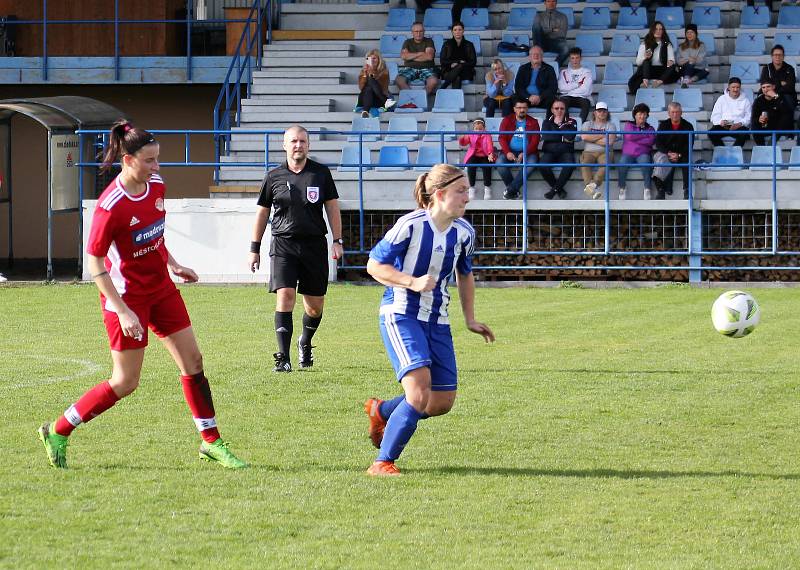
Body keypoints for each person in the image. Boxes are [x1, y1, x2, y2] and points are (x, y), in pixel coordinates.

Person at [36, 120, 246, 470]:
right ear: (128, 160)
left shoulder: (156, 186)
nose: (157, 167)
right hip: (126, 298)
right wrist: (122, 312)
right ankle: (58, 429)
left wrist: (174, 264)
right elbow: (95, 265)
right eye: (149, 160)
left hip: (161, 288)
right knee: (125, 381)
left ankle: (212, 442)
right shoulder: (110, 206)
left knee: (193, 362)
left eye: (158, 159)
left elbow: (156, 235)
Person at [362, 163, 495, 476]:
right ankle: (382, 462)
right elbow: (373, 266)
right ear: (440, 194)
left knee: (440, 402)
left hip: (438, 321)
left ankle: (381, 410)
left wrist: (470, 319)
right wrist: (411, 281)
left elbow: (465, 275)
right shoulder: (409, 226)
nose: (468, 197)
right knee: (419, 393)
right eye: (461, 191)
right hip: (401, 315)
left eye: (468, 190)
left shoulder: (464, 232)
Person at [249, 125, 343, 373]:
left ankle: (305, 341)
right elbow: (262, 212)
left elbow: (332, 208)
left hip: (314, 245)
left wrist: (337, 240)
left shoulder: (321, 174)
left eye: (302, 141)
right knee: (286, 295)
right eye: (293, 141)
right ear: (285, 145)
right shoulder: (273, 177)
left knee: (314, 306)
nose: (298, 145)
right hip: (283, 244)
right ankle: (283, 357)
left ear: (308, 145)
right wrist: (254, 247)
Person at [497, 97, 541, 200]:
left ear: (527, 109)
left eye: (524, 107)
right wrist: (507, 152)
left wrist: (524, 153)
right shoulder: (507, 120)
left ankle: (511, 190)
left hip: (529, 152)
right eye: (519, 107)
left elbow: (535, 141)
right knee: (499, 162)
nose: (522, 110)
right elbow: (502, 138)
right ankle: (514, 191)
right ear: (514, 109)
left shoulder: (533, 122)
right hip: (510, 151)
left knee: (532, 164)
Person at [652, 102, 694, 200]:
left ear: (681, 112)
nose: (675, 114)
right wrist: (668, 153)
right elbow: (658, 143)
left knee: (687, 161)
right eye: (673, 112)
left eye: (677, 112)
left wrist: (678, 155)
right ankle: (660, 190)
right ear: (669, 113)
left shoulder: (688, 126)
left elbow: (689, 145)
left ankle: (687, 190)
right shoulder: (663, 125)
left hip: (682, 154)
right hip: (667, 153)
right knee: (659, 160)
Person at [539, 98, 578, 199]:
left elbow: (570, 137)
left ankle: (554, 190)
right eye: (556, 108)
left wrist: (560, 124)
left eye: (562, 108)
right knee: (542, 165)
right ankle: (559, 190)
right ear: (552, 110)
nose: (559, 110)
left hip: (566, 152)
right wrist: (562, 137)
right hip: (550, 152)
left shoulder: (572, 121)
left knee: (570, 165)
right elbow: (546, 136)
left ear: (565, 110)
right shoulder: (546, 122)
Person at [617, 103, 656, 200]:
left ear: (647, 115)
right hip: (628, 154)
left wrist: (636, 137)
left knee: (646, 163)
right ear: (635, 115)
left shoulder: (650, 128)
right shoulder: (629, 125)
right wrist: (643, 136)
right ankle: (622, 187)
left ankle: (647, 189)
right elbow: (629, 136)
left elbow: (651, 141)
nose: (642, 116)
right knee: (622, 164)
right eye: (640, 114)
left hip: (643, 153)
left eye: (644, 114)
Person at [628, 21, 679, 94]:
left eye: (660, 29)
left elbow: (672, 60)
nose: (658, 31)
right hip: (648, 70)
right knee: (646, 62)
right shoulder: (645, 43)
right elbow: (638, 62)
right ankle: (645, 80)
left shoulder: (667, 44)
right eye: (656, 29)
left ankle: (659, 81)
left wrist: (670, 62)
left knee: (673, 67)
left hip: (661, 70)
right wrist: (644, 57)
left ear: (663, 31)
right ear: (652, 30)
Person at [580, 101, 616, 200]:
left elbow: (609, 142)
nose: (602, 113)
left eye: (604, 111)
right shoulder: (588, 124)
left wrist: (591, 139)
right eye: (599, 111)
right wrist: (602, 136)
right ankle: (592, 189)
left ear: (607, 113)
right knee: (584, 163)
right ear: (595, 113)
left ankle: (593, 185)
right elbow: (584, 137)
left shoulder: (611, 125)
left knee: (606, 164)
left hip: (605, 151)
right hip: (589, 152)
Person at [396, 22, 439, 95]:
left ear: (424, 32)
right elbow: (404, 56)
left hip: (426, 68)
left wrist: (410, 57)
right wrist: (420, 54)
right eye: (416, 31)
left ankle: (420, 98)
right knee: (399, 80)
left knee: (433, 81)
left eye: (421, 31)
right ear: (412, 32)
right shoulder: (407, 42)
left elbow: (429, 57)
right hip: (410, 68)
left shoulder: (429, 41)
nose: (418, 34)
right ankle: (411, 99)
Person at [458, 117, 496, 200]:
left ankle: (487, 188)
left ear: (484, 128)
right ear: (473, 128)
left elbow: (490, 145)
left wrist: (490, 154)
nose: (478, 130)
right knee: (471, 165)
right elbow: (464, 143)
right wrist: (462, 138)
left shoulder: (487, 135)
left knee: (487, 166)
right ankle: (471, 188)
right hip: (474, 155)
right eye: (476, 129)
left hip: (485, 155)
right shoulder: (471, 134)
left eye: (480, 128)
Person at [708, 77, 751, 148]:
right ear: (729, 88)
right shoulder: (722, 99)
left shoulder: (746, 100)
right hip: (724, 125)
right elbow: (714, 116)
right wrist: (721, 122)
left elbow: (748, 117)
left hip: (738, 126)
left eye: (737, 87)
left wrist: (740, 123)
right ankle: (722, 151)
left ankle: (734, 152)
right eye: (733, 87)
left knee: (744, 133)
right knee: (711, 133)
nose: (735, 89)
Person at [513, 45, 558, 113]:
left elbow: (553, 87)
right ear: (529, 57)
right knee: (512, 99)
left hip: (543, 99)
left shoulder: (549, 69)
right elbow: (518, 87)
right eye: (533, 54)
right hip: (526, 99)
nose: (536, 56)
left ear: (542, 57)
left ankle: (549, 123)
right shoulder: (523, 68)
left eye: (538, 54)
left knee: (555, 102)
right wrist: (529, 97)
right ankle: (512, 122)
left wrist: (540, 97)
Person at [751, 78, 794, 146]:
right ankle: (762, 147)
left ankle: (771, 143)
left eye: (768, 86)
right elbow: (753, 118)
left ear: (773, 87)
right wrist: (759, 119)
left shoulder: (780, 97)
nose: (766, 89)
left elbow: (787, 113)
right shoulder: (758, 100)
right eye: (763, 87)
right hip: (765, 126)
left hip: (778, 126)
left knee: (785, 117)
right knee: (754, 126)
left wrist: (775, 97)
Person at [355, 49, 395, 118]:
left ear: (379, 60)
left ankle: (365, 111)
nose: (372, 60)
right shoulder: (364, 71)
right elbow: (361, 88)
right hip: (365, 99)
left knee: (370, 83)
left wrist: (372, 73)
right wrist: (365, 74)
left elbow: (384, 87)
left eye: (374, 58)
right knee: (368, 88)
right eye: (370, 59)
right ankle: (386, 101)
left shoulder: (384, 71)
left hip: (378, 99)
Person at [759, 44, 797, 115]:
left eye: (780, 55)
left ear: (783, 57)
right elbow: (764, 85)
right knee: (762, 97)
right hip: (770, 96)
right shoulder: (766, 68)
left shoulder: (790, 69)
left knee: (785, 98)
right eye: (775, 55)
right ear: (772, 56)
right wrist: (780, 83)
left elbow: (790, 87)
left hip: (786, 98)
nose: (777, 57)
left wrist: (774, 90)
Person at [557, 46, 593, 122]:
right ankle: (566, 124)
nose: (575, 60)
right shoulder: (564, 72)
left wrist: (569, 90)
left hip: (582, 97)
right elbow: (561, 88)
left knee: (586, 103)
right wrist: (576, 85)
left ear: (581, 58)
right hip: (567, 97)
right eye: (572, 58)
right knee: (562, 102)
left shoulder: (587, 72)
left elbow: (585, 91)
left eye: (577, 58)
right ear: (569, 59)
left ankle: (580, 125)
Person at [439, 21, 477, 89]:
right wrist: (455, 63)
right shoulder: (447, 44)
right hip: (449, 71)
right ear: (452, 31)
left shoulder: (469, 44)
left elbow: (473, 62)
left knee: (460, 66)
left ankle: (443, 87)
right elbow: (442, 61)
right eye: (455, 30)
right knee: (457, 77)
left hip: (465, 71)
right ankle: (455, 99)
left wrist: (460, 64)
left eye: (460, 29)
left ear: (463, 31)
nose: (457, 32)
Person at [532, 0, 569, 67]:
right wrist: (553, 30)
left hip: (556, 42)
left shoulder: (563, 16)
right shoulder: (539, 16)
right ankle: (537, 54)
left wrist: (545, 31)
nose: (551, 3)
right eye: (548, 1)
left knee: (566, 49)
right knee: (536, 26)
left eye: (553, 1)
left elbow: (562, 33)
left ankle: (552, 67)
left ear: (556, 2)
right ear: (545, 3)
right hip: (541, 42)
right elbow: (536, 31)